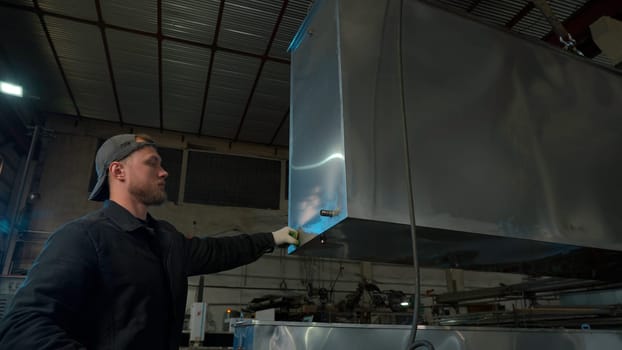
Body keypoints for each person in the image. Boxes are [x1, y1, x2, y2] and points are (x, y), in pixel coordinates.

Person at [0, 133, 298, 349]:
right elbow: (23, 326)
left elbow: (217, 250)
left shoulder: (165, 239)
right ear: (118, 171)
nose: (164, 172)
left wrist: (272, 238)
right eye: (152, 163)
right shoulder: (83, 237)